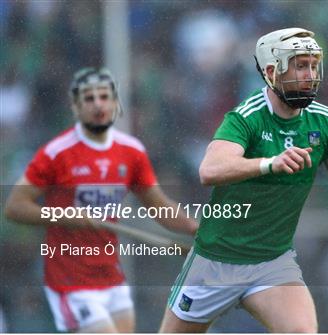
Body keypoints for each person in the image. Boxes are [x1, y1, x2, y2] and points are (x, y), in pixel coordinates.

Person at [159, 27, 328, 333]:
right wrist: (268, 164)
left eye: (314, 65)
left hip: (272, 262)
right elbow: (209, 170)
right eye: (301, 66)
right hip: (216, 260)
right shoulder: (247, 116)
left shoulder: (326, 121)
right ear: (271, 71)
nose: (311, 74)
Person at [5, 67, 198, 333]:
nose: (98, 104)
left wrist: (196, 228)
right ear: (76, 106)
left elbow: (160, 206)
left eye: (104, 97)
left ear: (116, 104)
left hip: (110, 274)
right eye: (89, 98)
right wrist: (63, 216)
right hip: (69, 278)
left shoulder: (131, 152)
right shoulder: (56, 153)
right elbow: (15, 207)